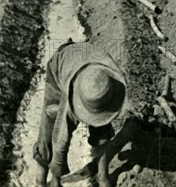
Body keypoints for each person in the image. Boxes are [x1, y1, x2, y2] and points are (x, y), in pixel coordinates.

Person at [33, 40, 127, 187]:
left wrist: (104, 180)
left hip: (88, 60)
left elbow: (104, 136)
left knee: (102, 130)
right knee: (49, 126)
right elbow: (60, 140)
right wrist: (56, 179)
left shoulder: (108, 81)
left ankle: (102, 176)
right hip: (61, 65)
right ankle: (40, 180)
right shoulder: (72, 101)